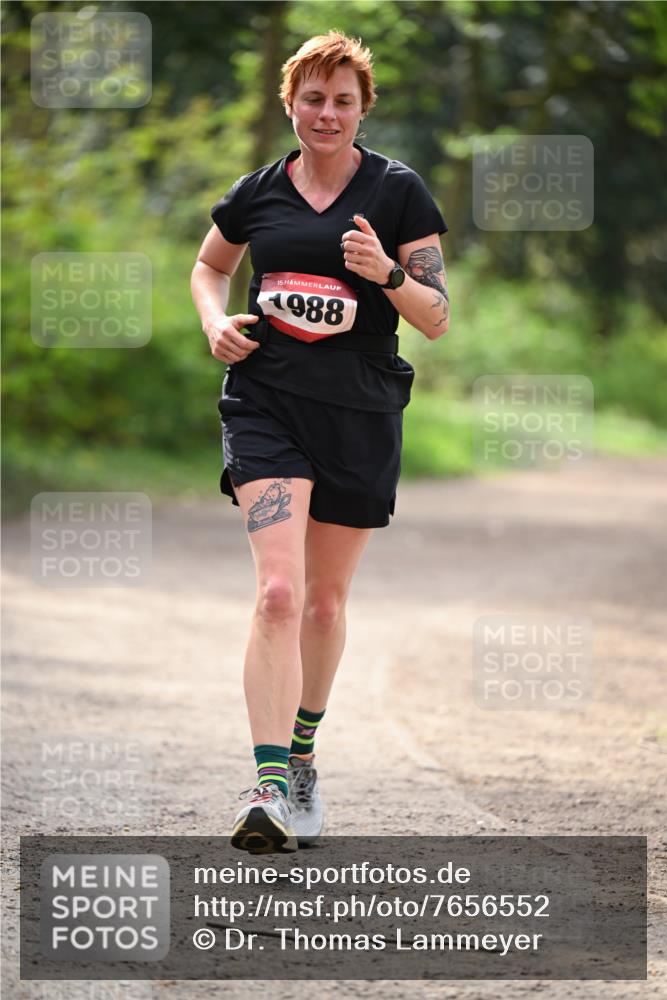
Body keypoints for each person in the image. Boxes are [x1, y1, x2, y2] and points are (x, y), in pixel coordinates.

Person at [190, 30, 449, 854]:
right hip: (266, 402)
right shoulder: (257, 192)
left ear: (362, 108)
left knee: (326, 604)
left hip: (359, 412)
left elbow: (437, 317)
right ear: (290, 103)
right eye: (312, 98)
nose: (326, 113)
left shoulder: (398, 192)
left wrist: (387, 275)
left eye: (342, 100)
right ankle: (266, 787)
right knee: (276, 594)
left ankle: (301, 758)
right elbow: (209, 267)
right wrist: (213, 324)